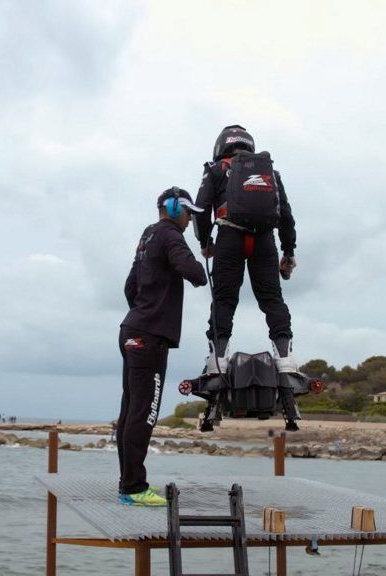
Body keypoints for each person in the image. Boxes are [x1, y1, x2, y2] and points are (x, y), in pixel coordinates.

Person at [117, 187, 206, 506]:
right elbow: (195, 273)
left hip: (131, 329)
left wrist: (143, 311)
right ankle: (133, 489)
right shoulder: (170, 235)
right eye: (188, 213)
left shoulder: (148, 235)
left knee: (131, 411)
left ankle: (128, 485)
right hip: (149, 337)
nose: (190, 221)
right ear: (174, 208)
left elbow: (130, 287)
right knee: (145, 413)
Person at [193, 125, 298, 374]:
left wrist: (206, 243)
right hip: (264, 240)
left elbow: (200, 209)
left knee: (224, 299)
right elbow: (285, 215)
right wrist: (288, 251)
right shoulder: (270, 172)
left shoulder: (216, 170)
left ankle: (218, 360)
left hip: (229, 237)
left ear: (221, 146)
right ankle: (285, 358)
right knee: (272, 299)